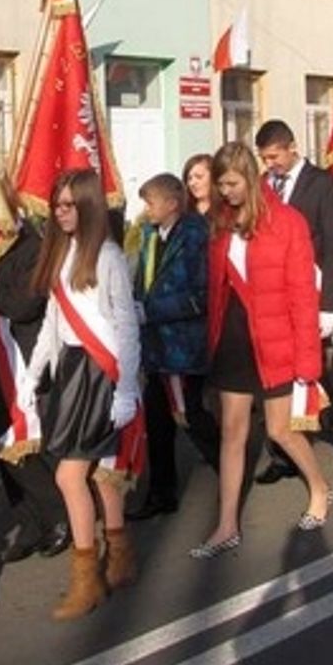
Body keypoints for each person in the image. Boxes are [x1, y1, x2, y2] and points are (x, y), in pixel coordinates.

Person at [191, 142, 329, 560]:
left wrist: (309, 359)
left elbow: (302, 294)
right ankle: (226, 525)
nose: (226, 192)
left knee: (279, 430)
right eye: (220, 185)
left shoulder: (287, 222)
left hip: (275, 340)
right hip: (233, 339)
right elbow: (215, 290)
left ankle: (319, 488)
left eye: (232, 184)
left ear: (250, 179)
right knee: (232, 433)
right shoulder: (219, 224)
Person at [21, 169, 142, 620]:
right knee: (97, 474)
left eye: (69, 205)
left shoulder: (107, 256)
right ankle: (120, 553)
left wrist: (126, 388)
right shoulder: (61, 252)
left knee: (70, 476)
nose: (60, 212)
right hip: (72, 369)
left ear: (89, 206)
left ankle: (86, 578)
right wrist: (32, 376)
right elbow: (54, 323)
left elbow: (127, 325)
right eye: (57, 205)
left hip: (102, 371)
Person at [253, 119, 333, 480]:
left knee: (324, 371)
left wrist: (329, 303)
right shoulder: (264, 186)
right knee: (278, 375)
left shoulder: (322, 183)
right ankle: (283, 454)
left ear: (292, 147)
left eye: (274, 156)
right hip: (279, 298)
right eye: (264, 159)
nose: (270, 165)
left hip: (315, 288)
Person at [0, 217, 70, 563]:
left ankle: (59, 515)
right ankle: (29, 523)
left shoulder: (34, 248)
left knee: (30, 447)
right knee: (3, 446)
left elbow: (23, 306)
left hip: (27, 362)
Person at [126, 173, 219, 521]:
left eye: (151, 202)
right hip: (156, 348)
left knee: (192, 417)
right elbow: (141, 281)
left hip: (182, 346)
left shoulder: (195, 235)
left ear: (172, 204)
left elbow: (200, 296)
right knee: (158, 424)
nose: (146, 209)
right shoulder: (150, 235)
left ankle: (228, 469)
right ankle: (161, 493)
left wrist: (149, 311)